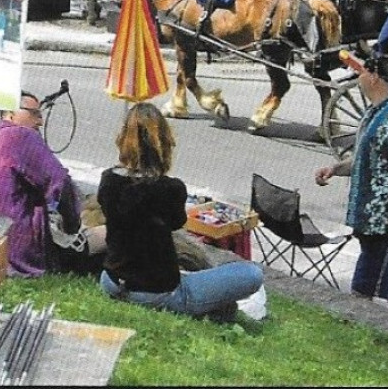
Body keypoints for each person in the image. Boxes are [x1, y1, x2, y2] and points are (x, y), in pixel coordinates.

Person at [97, 104, 264, 321]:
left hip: (112, 281)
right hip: (157, 292)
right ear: (165, 143)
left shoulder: (108, 179)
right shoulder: (170, 188)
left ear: (124, 139)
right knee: (251, 274)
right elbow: (177, 221)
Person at [315, 50, 388, 315]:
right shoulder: (377, 112)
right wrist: (335, 168)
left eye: (363, 72)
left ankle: (370, 340)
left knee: (361, 294)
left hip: (385, 226)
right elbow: (368, 159)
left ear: (375, 78)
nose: (359, 77)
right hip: (372, 223)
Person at [0, 92, 103, 277]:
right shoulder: (21, 136)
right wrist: (73, 225)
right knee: (111, 236)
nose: (40, 121)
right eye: (34, 114)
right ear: (10, 113)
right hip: (21, 250)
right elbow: (60, 184)